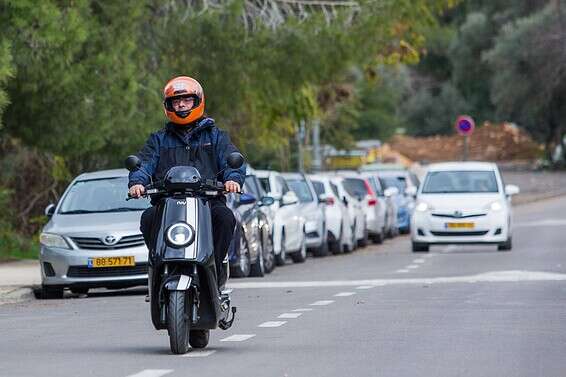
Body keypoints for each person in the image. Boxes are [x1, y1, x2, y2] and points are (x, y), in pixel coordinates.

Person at [128, 76, 245, 290]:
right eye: (176, 101)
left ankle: (215, 270)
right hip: (168, 204)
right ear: (168, 105)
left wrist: (232, 179)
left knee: (226, 218)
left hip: (207, 202)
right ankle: (159, 267)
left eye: (187, 100)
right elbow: (144, 163)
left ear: (198, 101)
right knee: (148, 218)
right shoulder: (159, 140)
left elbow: (232, 159)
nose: (181, 104)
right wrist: (137, 182)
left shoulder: (216, 136)